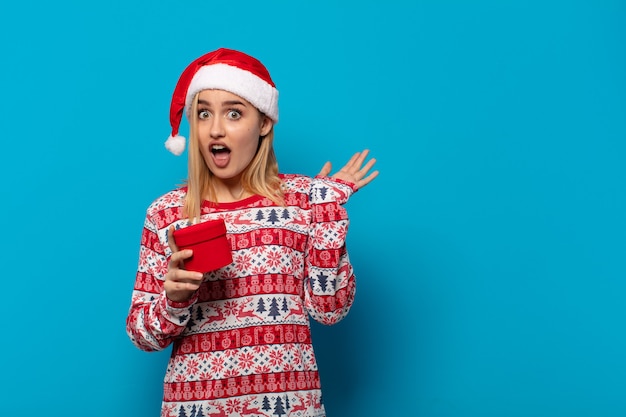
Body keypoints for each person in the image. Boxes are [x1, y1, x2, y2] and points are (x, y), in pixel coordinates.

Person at [126, 48, 378, 417]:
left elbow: (330, 310)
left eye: (233, 113)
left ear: (263, 123)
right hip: (195, 406)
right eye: (203, 113)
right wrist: (173, 299)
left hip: (290, 407)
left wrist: (327, 212)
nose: (215, 128)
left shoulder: (303, 201)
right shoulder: (166, 213)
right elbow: (141, 335)